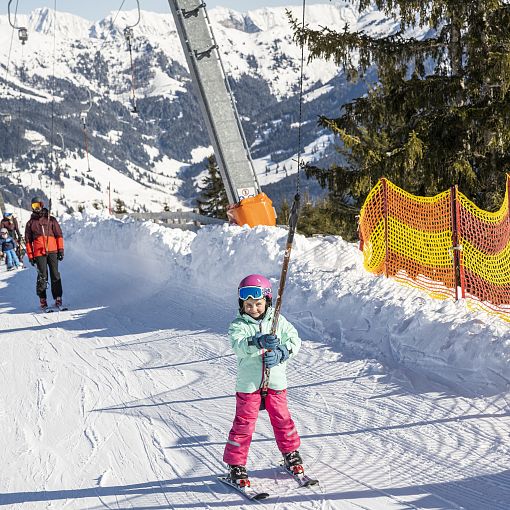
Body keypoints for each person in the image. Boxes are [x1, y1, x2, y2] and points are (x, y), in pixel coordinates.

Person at [223, 274, 303, 488]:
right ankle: (236, 465)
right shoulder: (238, 325)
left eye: (258, 304)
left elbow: (295, 340)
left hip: (276, 384)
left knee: (283, 420)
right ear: (242, 305)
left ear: (267, 301)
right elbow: (238, 345)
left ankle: (291, 455)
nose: (253, 309)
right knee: (244, 425)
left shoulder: (278, 321)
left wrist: (283, 352)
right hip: (249, 386)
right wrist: (256, 341)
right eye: (248, 305)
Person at [25, 197, 65, 309]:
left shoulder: (51, 219)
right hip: (39, 253)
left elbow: (59, 235)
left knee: (55, 274)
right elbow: (28, 241)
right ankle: (42, 299)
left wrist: (60, 250)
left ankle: (58, 298)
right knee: (42, 276)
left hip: (53, 251)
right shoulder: (30, 223)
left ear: (42, 205)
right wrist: (30, 256)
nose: (36, 208)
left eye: (38, 205)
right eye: (34, 206)